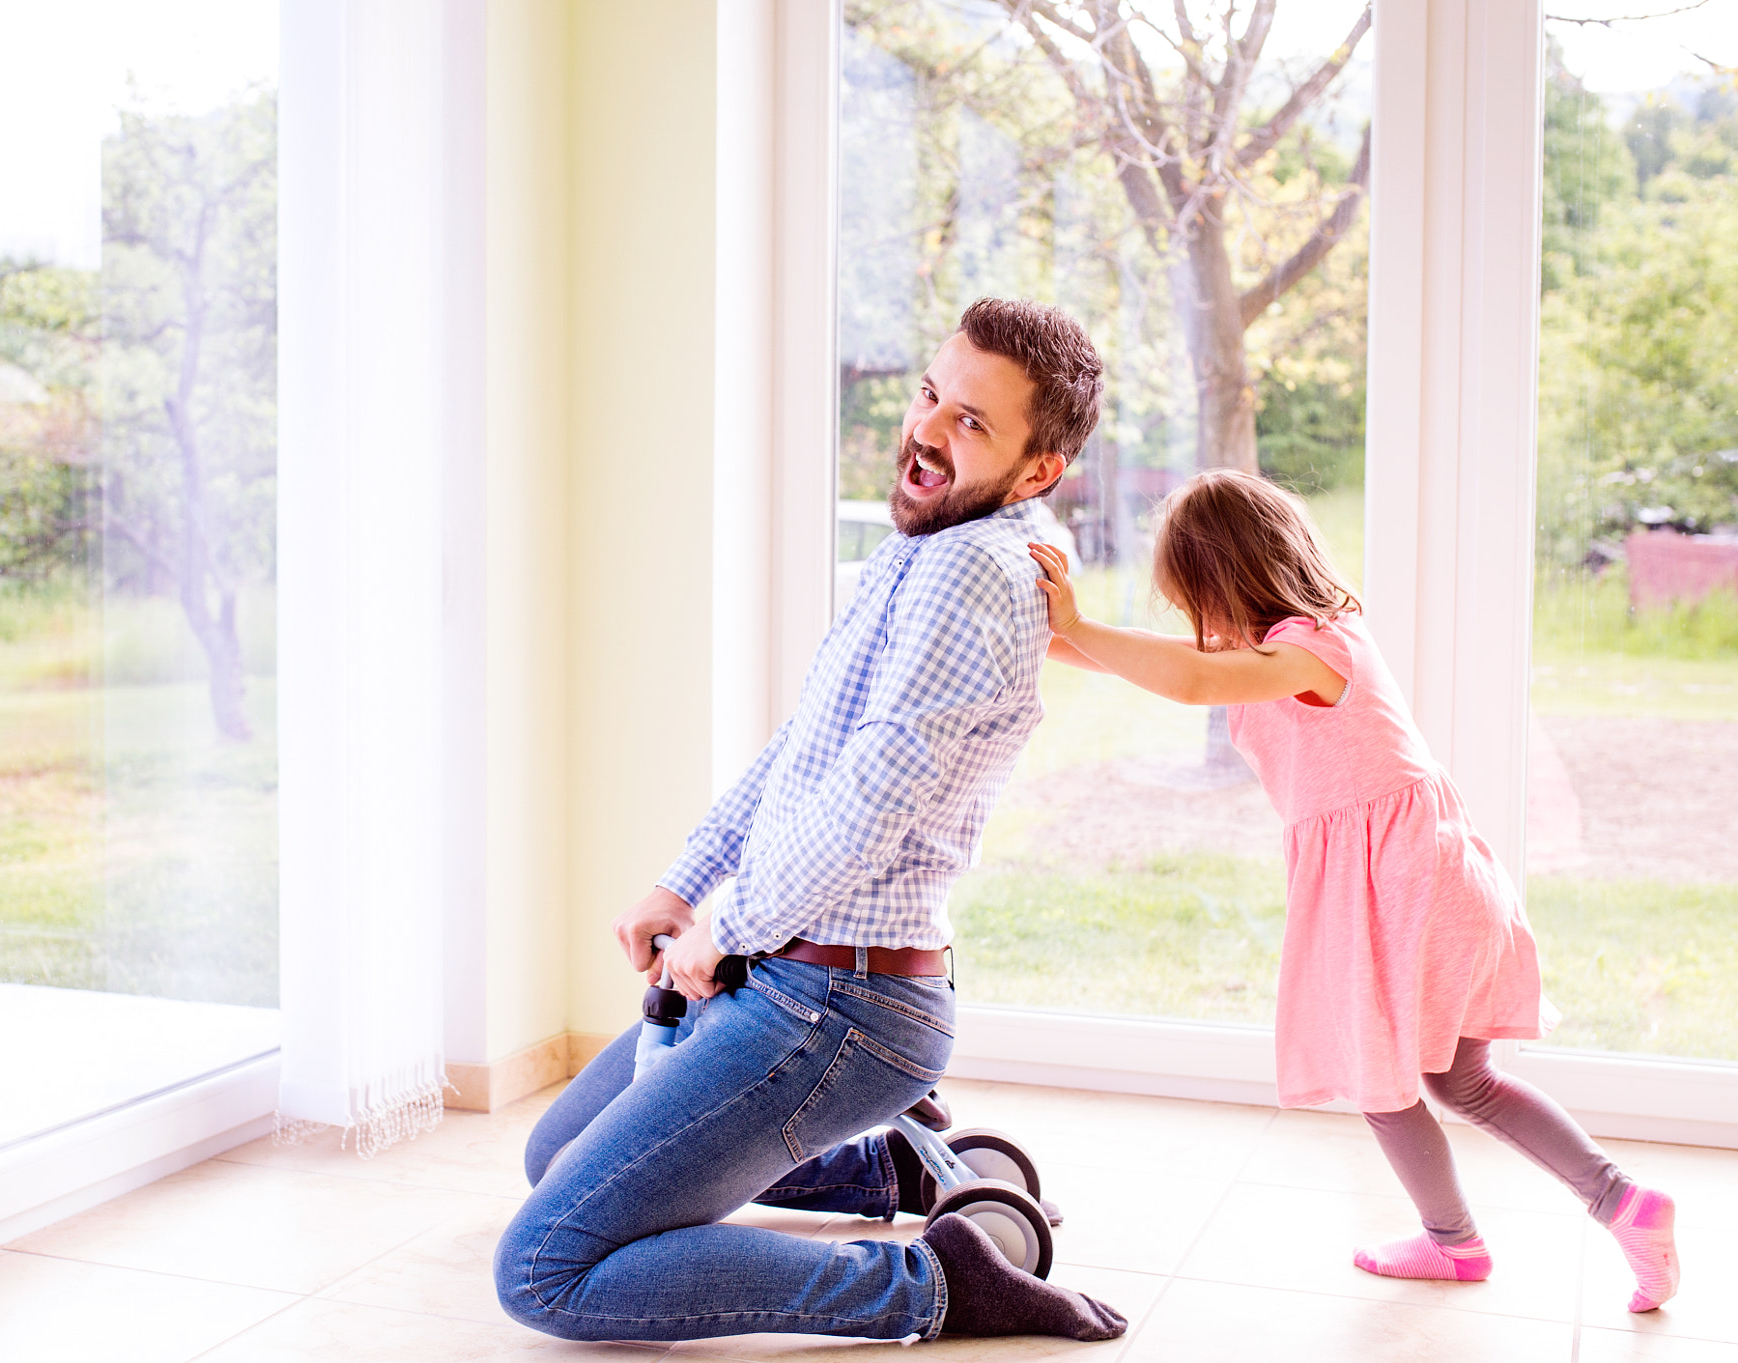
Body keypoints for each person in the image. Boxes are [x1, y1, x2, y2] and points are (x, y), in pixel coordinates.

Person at [493, 299, 1128, 1346]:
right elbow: (805, 751)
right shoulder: (923, 550)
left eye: (971, 422)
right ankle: (885, 1163)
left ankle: (934, 1287)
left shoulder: (970, 571)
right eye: (931, 394)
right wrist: (685, 879)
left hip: (837, 1006)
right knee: (552, 1162)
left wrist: (726, 926)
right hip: (792, 979)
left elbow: (866, 800)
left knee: (545, 1270)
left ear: (1036, 470)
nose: (927, 428)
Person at [1027, 468, 1680, 1313]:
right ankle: (1621, 1201)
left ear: (1222, 580)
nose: (1196, 620)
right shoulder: (1307, 635)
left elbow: (1186, 680)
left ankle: (1458, 1242)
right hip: (1434, 880)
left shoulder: (1310, 651)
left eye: (1193, 596)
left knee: (1382, 1079)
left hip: (1400, 891)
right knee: (1464, 1082)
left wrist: (1075, 621)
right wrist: (1047, 633)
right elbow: (1153, 666)